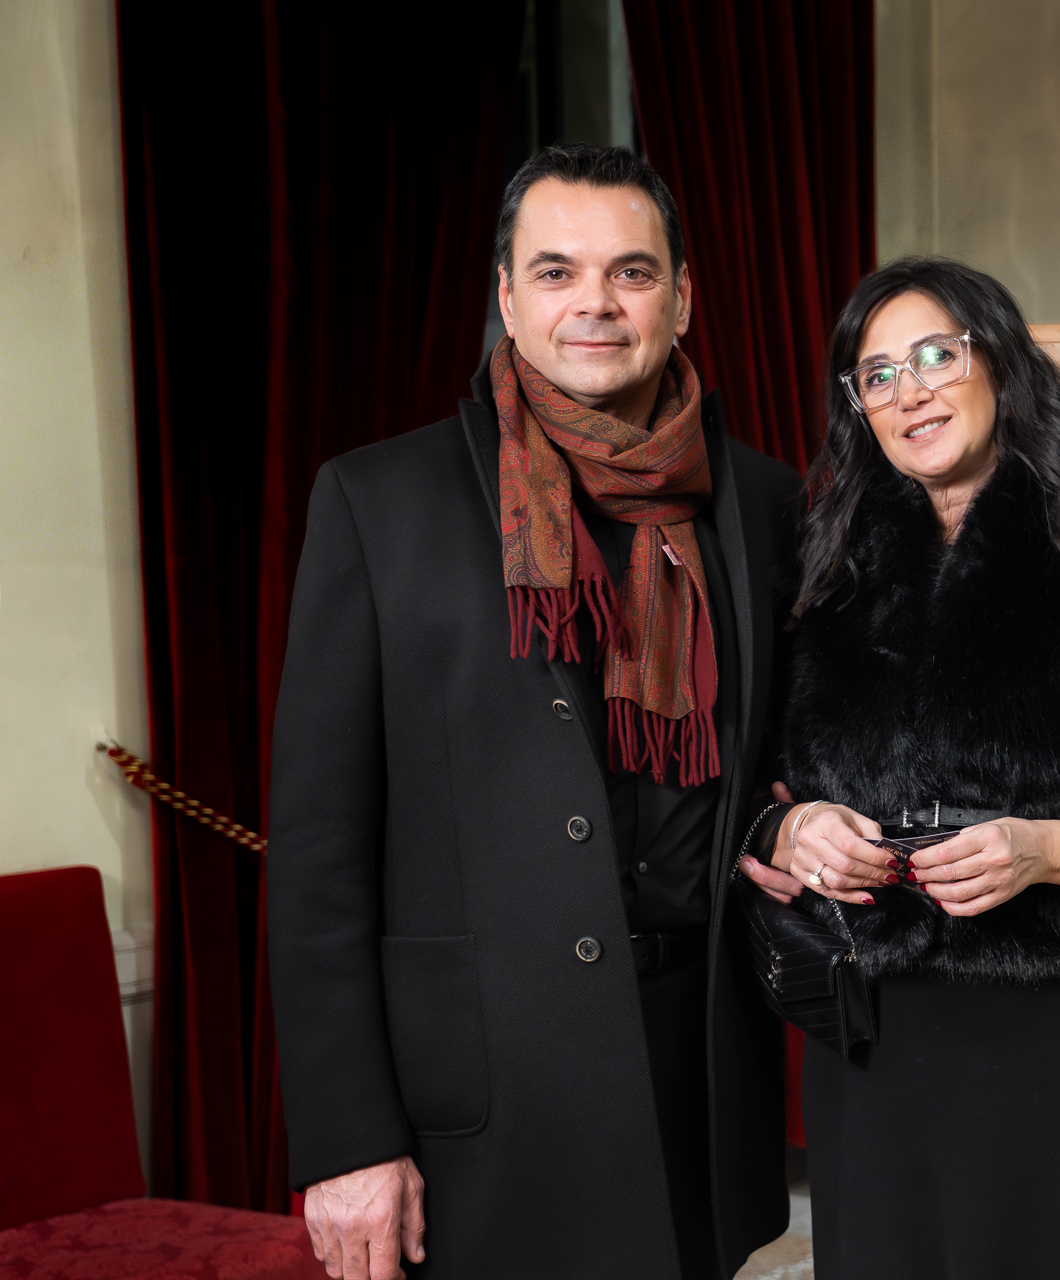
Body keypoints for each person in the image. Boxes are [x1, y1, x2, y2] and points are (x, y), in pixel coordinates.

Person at [268, 144, 800, 1280]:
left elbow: (788, 763)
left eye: (631, 272)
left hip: (696, 1080)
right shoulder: (377, 500)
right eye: (556, 271)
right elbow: (316, 856)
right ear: (508, 298)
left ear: (683, 298)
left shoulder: (763, 499)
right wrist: (348, 1139)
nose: (595, 302)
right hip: (483, 1104)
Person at [736, 257, 1060, 1278]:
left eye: (936, 355)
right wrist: (791, 829)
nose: (910, 391)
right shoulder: (821, 573)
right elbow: (748, 795)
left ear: (1001, 363)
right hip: (872, 1043)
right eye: (878, 375)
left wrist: (1054, 850)